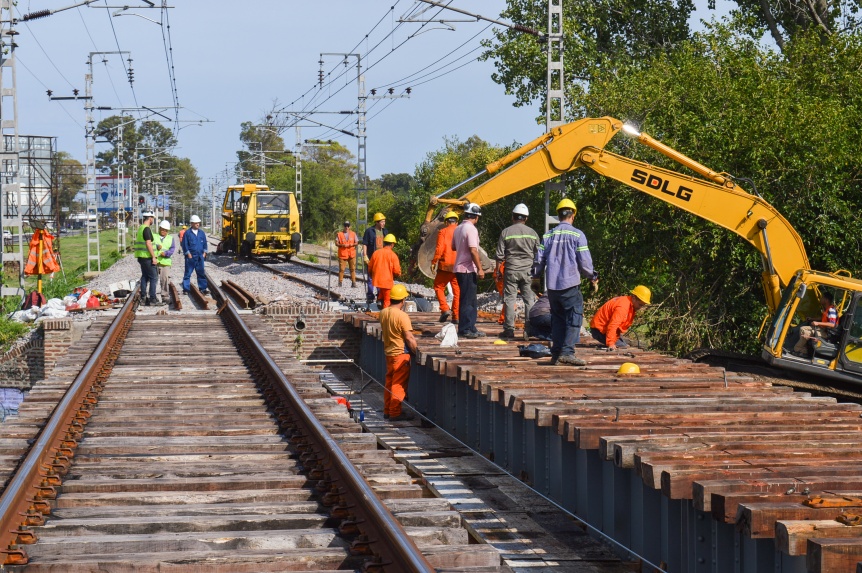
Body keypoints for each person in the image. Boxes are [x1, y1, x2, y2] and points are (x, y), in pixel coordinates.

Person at [534, 198, 599, 366]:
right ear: (573, 215)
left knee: (558, 320)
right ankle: (567, 353)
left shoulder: (548, 235)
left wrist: (535, 278)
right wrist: (592, 277)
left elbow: (539, 261)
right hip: (569, 285)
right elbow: (585, 263)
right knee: (574, 318)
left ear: (558, 215)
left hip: (553, 287)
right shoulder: (578, 235)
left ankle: (556, 354)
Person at [495, 203, 540, 338]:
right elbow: (539, 254)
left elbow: (499, 255)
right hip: (528, 272)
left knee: (509, 299)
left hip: (511, 270)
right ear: (526, 218)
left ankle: (509, 329)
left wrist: (498, 271)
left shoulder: (506, 232)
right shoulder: (532, 233)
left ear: (513, 217)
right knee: (529, 299)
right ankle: (529, 328)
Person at [379, 284, 418, 421]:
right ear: (403, 300)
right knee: (398, 384)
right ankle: (395, 413)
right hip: (400, 354)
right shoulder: (402, 316)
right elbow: (409, 337)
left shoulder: (383, 312)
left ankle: (387, 410)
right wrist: (416, 352)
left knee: (389, 382)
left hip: (389, 353)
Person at [452, 202, 486, 338]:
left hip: (459, 268)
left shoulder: (458, 228)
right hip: (467, 269)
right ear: (476, 217)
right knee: (468, 300)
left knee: (469, 299)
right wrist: (480, 268)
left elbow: (454, 247)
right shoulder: (471, 229)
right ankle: (466, 329)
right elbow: (473, 250)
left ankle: (470, 327)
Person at [589, 286, 651, 351]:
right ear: (633, 297)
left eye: (643, 305)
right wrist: (611, 343)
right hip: (600, 330)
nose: (640, 307)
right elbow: (613, 325)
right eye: (640, 304)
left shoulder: (629, 304)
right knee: (623, 347)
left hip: (605, 330)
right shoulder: (623, 307)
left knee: (624, 345)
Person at [430, 211, 460, 323]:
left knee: (438, 287)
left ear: (446, 222)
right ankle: (456, 316)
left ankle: (445, 308)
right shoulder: (461, 232)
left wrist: (434, 261)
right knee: (457, 291)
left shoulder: (443, 231)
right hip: (458, 266)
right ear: (457, 222)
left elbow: (440, 248)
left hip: (445, 266)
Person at [793, 291, 838, 356]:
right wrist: (812, 319)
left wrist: (817, 323)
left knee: (805, 332)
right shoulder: (827, 309)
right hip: (822, 329)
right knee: (803, 329)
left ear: (826, 300)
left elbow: (832, 324)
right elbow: (823, 318)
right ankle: (804, 349)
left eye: (822, 297)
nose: (820, 299)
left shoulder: (831, 310)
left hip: (827, 333)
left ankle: (799, 350)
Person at [134, 211, 163, 306]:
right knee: (154, 277)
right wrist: (153, 257)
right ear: (150, 218)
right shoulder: (146, 229)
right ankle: (152, 299)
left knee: (145, 277)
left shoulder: (141, 228)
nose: (153, 220)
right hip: (147, 257)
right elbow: (148, 243)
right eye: (153, 218)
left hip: (141, 256)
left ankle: (143, 298)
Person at [368, 234, 401, 308]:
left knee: (381, 294)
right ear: (392, 244)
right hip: (387, 282)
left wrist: (372, 276)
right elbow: (397, 271)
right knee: (387, 300)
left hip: (378, 281)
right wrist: (398, 275)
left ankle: (379, 300)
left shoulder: (376, 253)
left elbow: (370, 267)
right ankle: (385, 315)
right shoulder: (393, 255)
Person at [181, 215, 208, 295]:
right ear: (192, 223)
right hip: (191, 256)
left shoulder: (201, 233)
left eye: (198, 223)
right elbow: (184, 244)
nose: (198, 224)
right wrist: (188, 253)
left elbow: (205, 244)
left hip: (200, 256)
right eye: (196, 223)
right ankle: (186, 289)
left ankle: (203, 288)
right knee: (188, 273)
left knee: (201, 273)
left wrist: (205, 253)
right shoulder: (187, 233)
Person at [362, 212, 386, 303]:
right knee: (371, 278)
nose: (384, 223)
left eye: (384, 221)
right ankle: (370, 295)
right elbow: (365, 244)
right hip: (372, 258)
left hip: (382, 259)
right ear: (377, 222)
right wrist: (365, 256)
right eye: (382, 222)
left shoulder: (385, 231)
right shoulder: (369, 231)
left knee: (380, 278)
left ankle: (379, 295)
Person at [154, 220, 177, 304]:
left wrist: (166, 253)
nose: (164, 231)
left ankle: (165, 296)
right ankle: (152, 296)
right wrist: (156, 246)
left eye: (166, 230)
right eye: (162, 229)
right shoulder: (154, 236)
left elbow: (172, 249)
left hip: (165, 262)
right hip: (155, 261)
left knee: (164, 279)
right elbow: (150, 244)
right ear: (159, 228)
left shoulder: (170, 238)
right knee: (153, 280)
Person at [336, 220, 358, 287]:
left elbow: (357, 242)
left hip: (351, 254)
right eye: (345, 225)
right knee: (342, 269)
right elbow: (336, 243)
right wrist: (342, 245)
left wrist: (352, 244)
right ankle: (340, 283)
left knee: (353, 269)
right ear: (344, 226)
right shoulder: (339, 234)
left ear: (349, 226)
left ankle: (354, 283)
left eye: (348, 226)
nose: (346, 227)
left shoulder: (353, 234)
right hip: (343, 255)